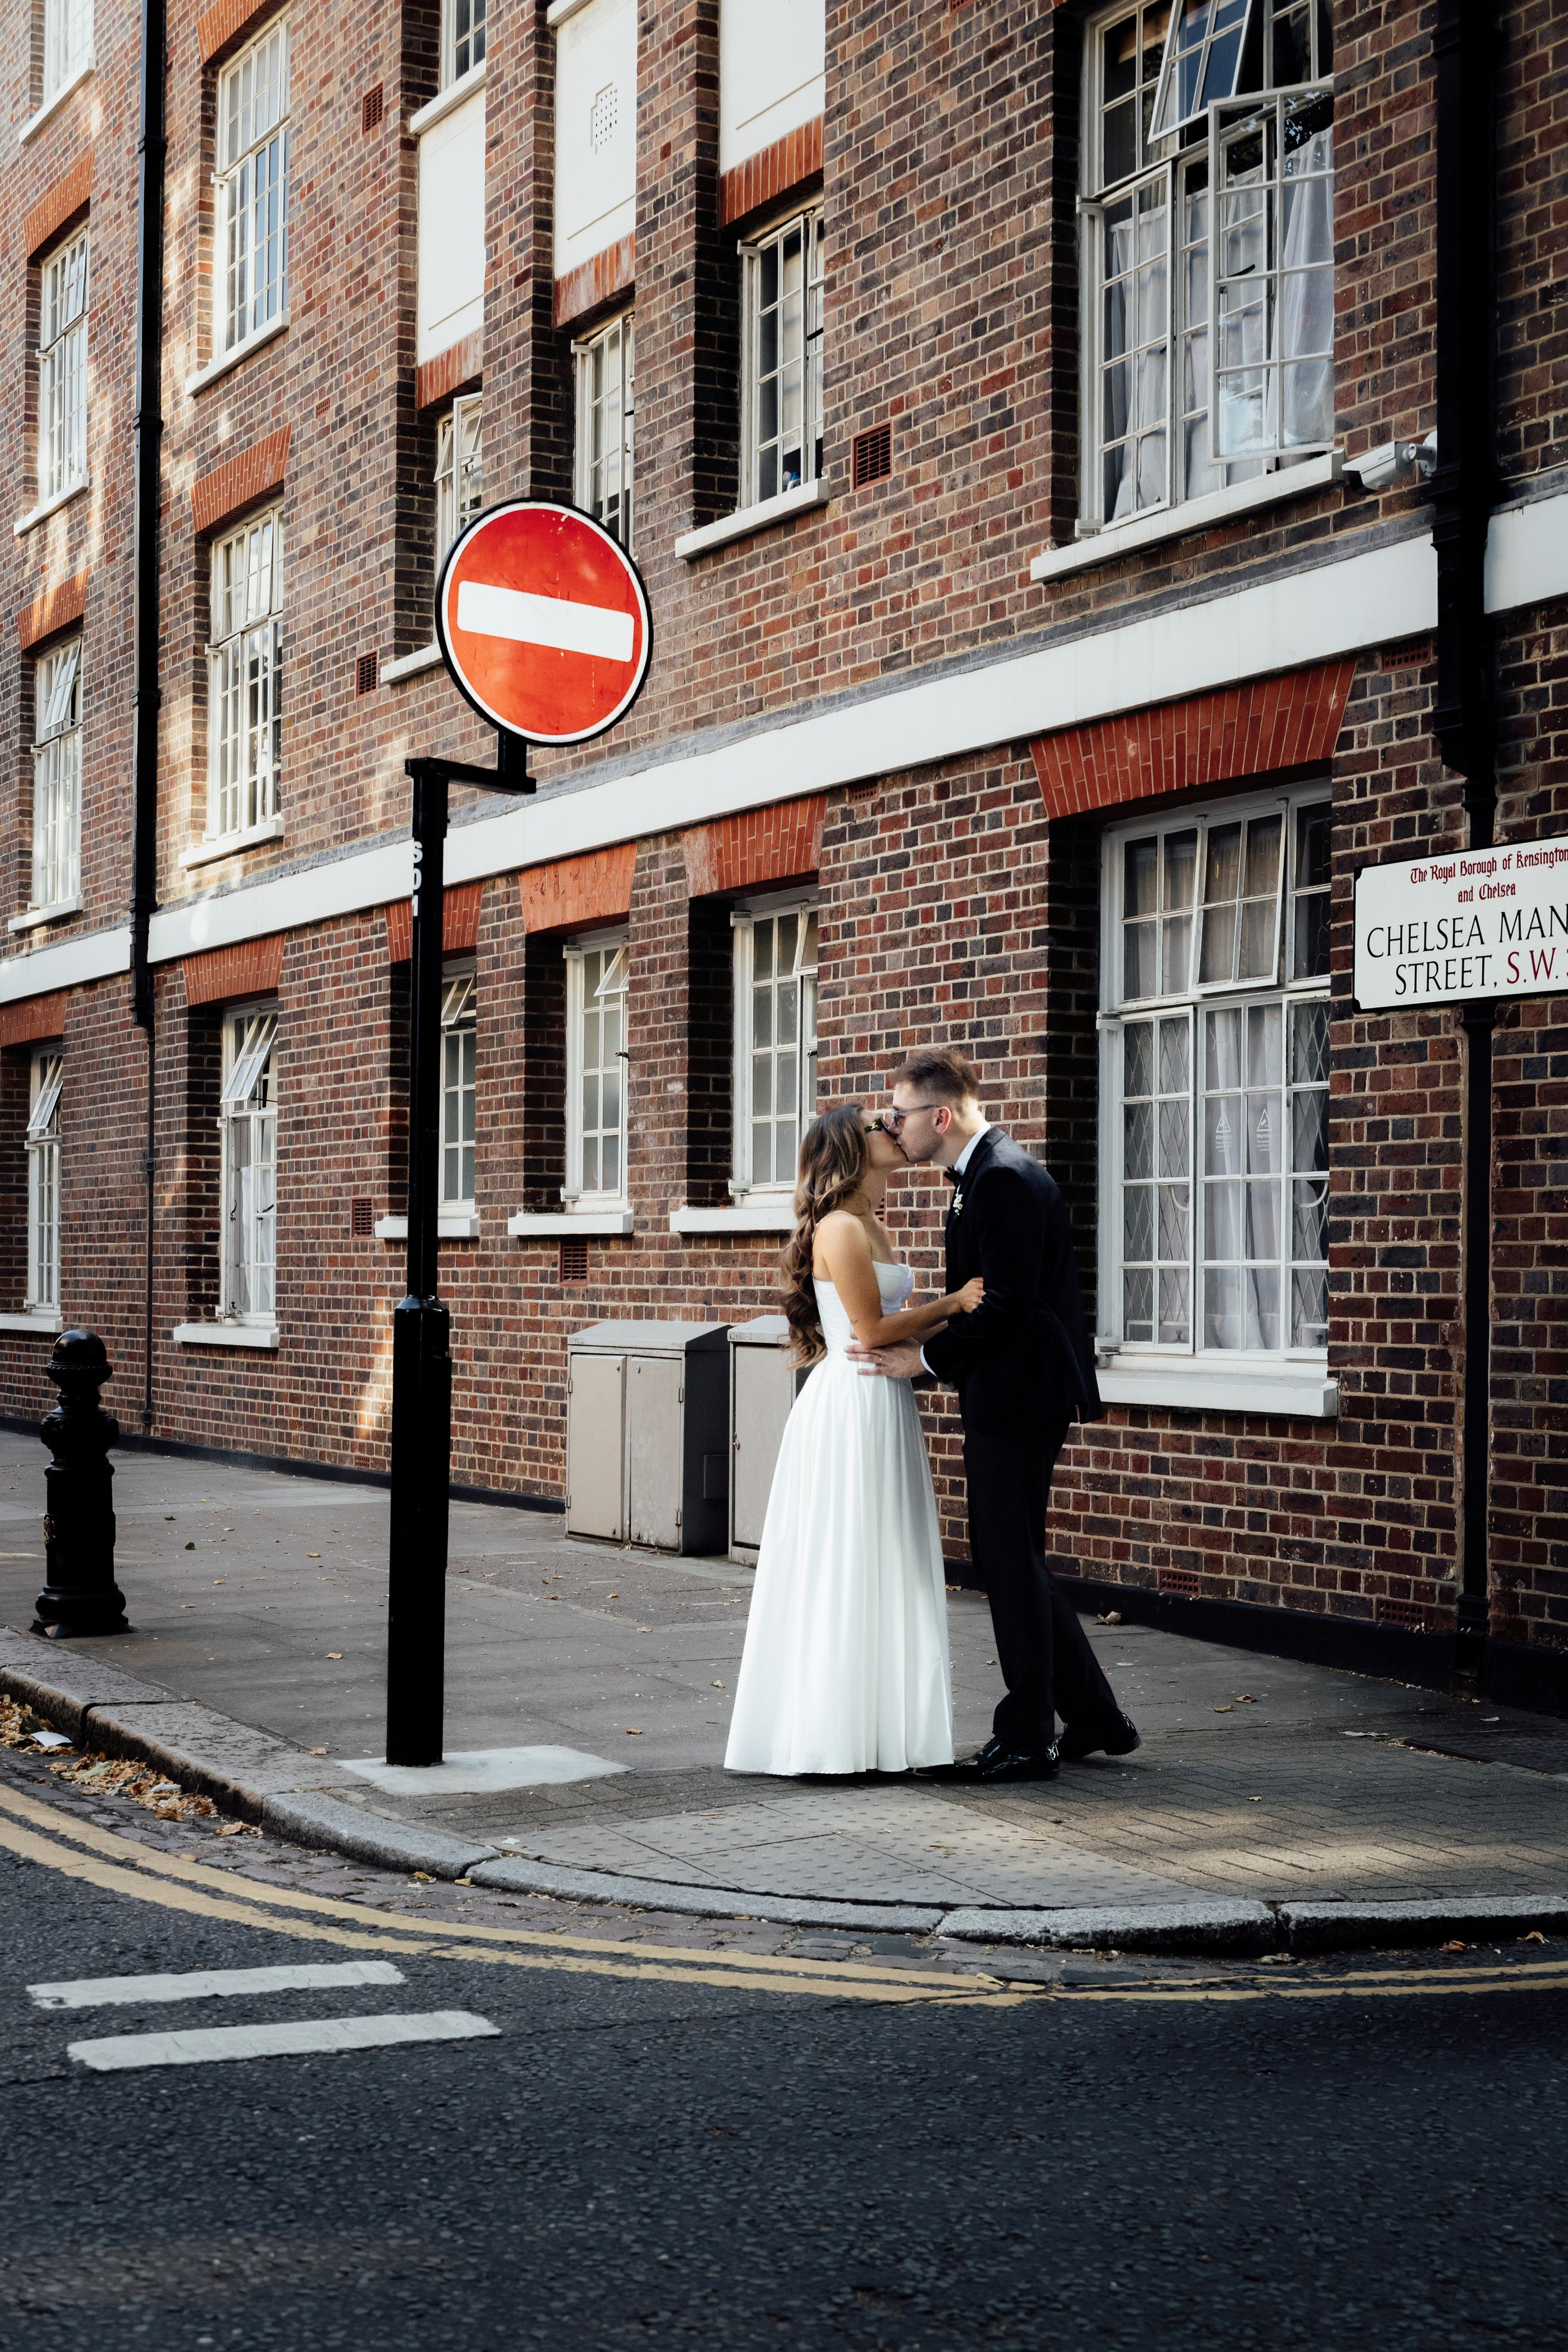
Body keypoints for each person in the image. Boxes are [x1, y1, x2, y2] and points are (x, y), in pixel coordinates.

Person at [847, 1046, 1139, 1782]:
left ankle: (1026, 1737)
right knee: (1015, 1558)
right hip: (1011, 1388)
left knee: (1005, 1558)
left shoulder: (1002, 1177)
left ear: (939, 1115)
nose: (893, 1126)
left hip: (1021, 1390)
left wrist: (926, 1360)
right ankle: (1095, 1718)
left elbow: (1005, 1304)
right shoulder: (983, 1173)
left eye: (900, 1113)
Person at [724, 1103, 986, 1778]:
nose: (893, 1131)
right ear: (850, 1148)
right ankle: (829, 1738)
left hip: (883, 1398)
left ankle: (877, 1734)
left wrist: (938, 1336)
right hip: (850, 1405)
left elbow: (897, 1329)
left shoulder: (871, 1224)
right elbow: (870, 1331)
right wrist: (954, 1303)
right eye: (879, 1126)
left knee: (882, 1558)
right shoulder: (840, 1227)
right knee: (848, 1557)